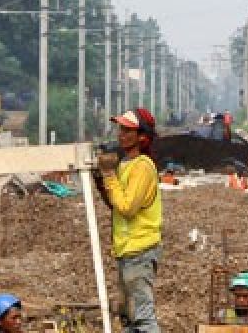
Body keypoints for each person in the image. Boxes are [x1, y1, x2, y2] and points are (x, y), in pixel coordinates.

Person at [94, 108, 162, 333]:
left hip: (140, 249)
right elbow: (115, 203)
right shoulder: (125, 165)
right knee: (129, 319)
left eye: (127, 130)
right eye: (120, 129)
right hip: (127, 250)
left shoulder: (142, 166)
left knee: (142, 317)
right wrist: (101, 179)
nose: (120, 134)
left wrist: (109, 175)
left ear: (141, 136)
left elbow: (127, 208)